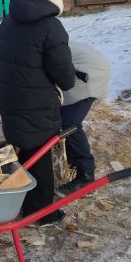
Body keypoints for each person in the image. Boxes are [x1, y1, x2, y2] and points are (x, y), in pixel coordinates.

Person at [0, 0, 75, 226]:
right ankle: (41, 212)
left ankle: (23, 200)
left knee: (26, 154)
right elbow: (64, 74)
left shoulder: (8, 21)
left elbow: (1, 52)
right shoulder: (51, 27)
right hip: (38, 106)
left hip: (11, 101)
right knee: (40, 157)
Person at [56, 41, 111, 196]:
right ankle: (72, 161)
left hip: (88, 74)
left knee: (70, 124)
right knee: (64, 119)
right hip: (81, 71)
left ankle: (86, 179)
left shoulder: (32, 45)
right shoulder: (30, 41)